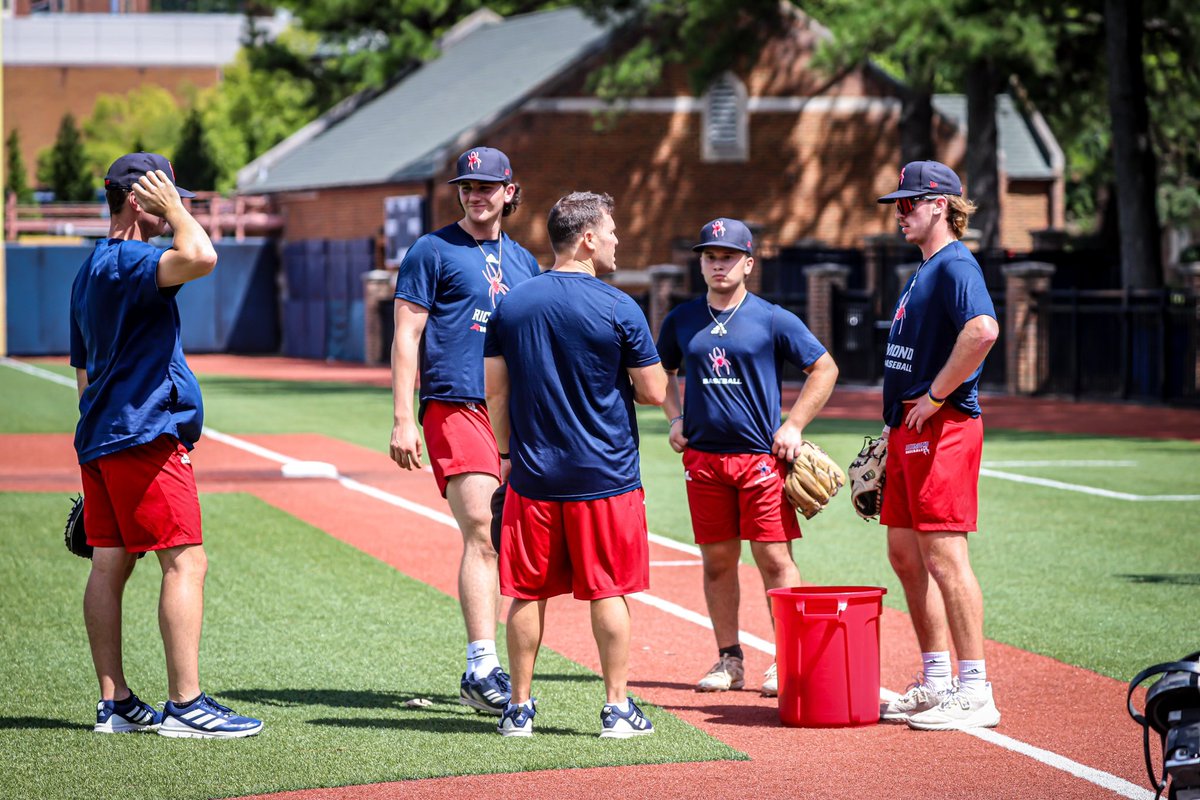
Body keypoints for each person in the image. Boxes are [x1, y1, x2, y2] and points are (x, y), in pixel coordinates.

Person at [70, 152, 262, 738]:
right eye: (166, 193)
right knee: (185, 560)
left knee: (110, 563)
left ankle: (116, 704)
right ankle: (186, 704)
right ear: (138, 198)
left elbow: (81, 372)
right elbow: (202, 255)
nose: (177, 204)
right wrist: (175, 210)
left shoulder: (88, 268)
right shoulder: (132, 258)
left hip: (102, 436)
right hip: (143, 435)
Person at [483, 191, 667, 738]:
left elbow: (495, 392)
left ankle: (518, 709)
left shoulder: (512, 304)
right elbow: (654, 391)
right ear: (587, 238)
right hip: (605, 478)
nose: (617, 240)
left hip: (534, 477)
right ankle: (615, 709)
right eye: (611, 231)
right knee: (608, 589)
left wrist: (507, 456)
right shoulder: (619, 306)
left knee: (526, 592)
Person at [656, 217, 839, 697]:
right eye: (710, 256)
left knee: (775, 558)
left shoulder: (772, 317)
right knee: (717, 561)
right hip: (705, 462)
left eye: (729, 257)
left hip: (760, 459)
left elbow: (824, 367)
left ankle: (789, 659)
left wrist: (794, 424)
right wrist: (675, 419)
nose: (719, 264)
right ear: (701, 263)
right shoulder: (682, 319)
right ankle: (729, 660)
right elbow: (660, 374)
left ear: (749, 263)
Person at [390, 146, 540, 715]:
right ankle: (482, 666)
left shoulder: (526, 262)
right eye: (468, 187)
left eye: (487, 187)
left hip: (512, 412)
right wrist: (404, 416)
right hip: (454, 403)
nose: (477, 196)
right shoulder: (432, 250)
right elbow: (406, 336)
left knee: (504, 533)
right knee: (480, 522)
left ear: (509, 191)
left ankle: (498, 668)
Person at [874, 160, 1001, 730]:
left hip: (942, 428)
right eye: (897, 205)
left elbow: (983, 330)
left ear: (940, 205)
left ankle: (975, 691)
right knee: (905, 555)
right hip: (908, 430)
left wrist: (935, 394)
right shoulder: (926, 268)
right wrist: (890, 427)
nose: (899, 213)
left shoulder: (954, 265)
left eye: (908, 203)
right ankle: (936, 680)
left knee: (945, 557)